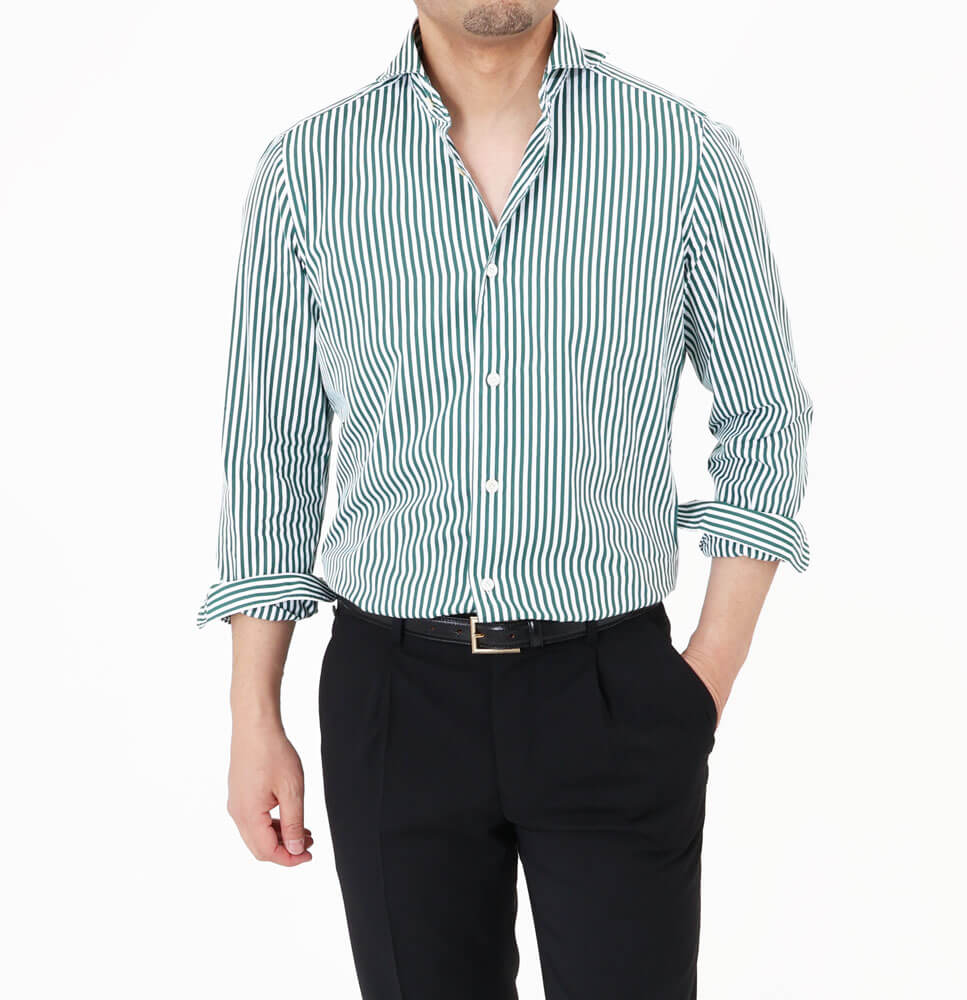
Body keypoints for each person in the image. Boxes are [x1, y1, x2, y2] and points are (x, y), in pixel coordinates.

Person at [197, 3, 813, 997]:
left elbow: (765, 416)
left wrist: (704, 678)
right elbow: (272, 455)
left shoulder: (680, 154)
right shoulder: (306, 173)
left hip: (611, 691)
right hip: (393, 698)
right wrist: (252, 714)